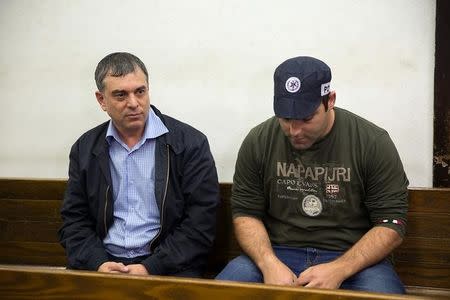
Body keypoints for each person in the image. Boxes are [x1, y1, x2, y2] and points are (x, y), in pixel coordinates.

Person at [216, 56, 409, 294]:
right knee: (219, 292)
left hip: (354, 258)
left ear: (330, 101)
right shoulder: (258, 140)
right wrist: (269, 263)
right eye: (286, 119)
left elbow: (392, 223)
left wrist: (340, 268)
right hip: (278, 253)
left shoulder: (372, 142)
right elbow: (246, 213)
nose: (294, 131)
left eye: (307, 119)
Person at [59, 52, 220, 277]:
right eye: (120, 95)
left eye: (140, 92)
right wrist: (98, 263)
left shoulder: (189, 143)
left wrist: (150, 267)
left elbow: (200, 223)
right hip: (104, 264)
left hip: (168, 266)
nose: (133, 103)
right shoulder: (85, 149)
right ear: (101, 100)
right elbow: (74, 220)